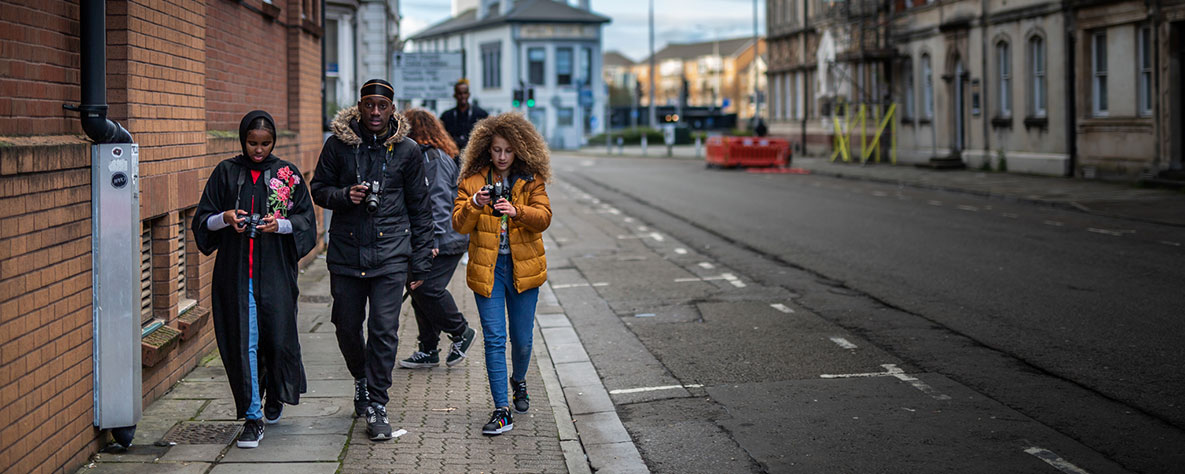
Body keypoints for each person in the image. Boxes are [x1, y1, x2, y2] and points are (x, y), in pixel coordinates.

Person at [310, 79, 433, 441]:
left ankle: (378, 403)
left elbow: (421, 211)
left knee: (383, 330)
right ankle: (361, 377)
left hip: (391, 254)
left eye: (382, 105)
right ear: (359, 107)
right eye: (369, 105)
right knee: (346, 325)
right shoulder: (337, 146)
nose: (376, 112)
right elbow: (318, 189)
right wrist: (345, 195)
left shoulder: (408, 151)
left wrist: (420, 263)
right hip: (346, 253)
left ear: (393, 109)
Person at [192, 110, 317, 449]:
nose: (258, 150)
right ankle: (251, 416)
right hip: (237, 275)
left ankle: (275, 392)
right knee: (244, 342)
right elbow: (203, 220)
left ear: (273, 142)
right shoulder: (226, 173)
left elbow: (306, 222)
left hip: (275, 272)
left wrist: (281, 225)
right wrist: (225, 218)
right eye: (252, 143)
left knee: (277, 339)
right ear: (242, 140)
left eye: (265, 144)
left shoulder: (287, 174)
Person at [452, 113, 551, 436]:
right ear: (486, 149)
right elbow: (458, 224)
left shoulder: (530, 179)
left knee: (521, 341)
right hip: (488, 270)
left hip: (523, 270)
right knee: (495, 340)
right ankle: (501, 409)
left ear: (519, 150)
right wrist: (475, 205)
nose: (503, 157)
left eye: (508, 151)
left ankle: (519, 381)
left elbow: (544, 217)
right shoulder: (473, 181)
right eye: (496, 150)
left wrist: (517, 210)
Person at [397, 109, 477, 370]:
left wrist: (432, 242)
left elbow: (441, 203)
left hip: (446, 239)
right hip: (433, 238)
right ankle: (428, 349)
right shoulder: (421, 156)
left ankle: (461, 331)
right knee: (418, 287)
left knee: (426, 288)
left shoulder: (433, 158)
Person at [439, 78, 488, 155]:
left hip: (474, 155)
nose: (462, 96)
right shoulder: (446, 116)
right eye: (459, 93)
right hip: (453, 156)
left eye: (465, 93)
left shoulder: (481, 114)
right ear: (455, 95)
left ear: (469, 94)